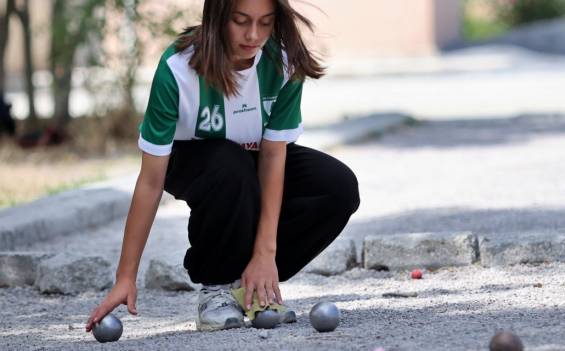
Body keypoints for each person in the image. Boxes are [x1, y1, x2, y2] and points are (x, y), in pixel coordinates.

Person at [86, 0, 360, 333]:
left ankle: (252, 283)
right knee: (229, 163)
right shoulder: (177, 68)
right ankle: (215, 287)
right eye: (241, 21)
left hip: (254, 157)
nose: (253, 35)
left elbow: (274, 156)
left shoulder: (283, 61)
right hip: (192, 162)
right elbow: (150, 181)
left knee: (336, 186)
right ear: (217, 17)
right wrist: (125, 277)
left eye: (265, 23)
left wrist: (265, 254)